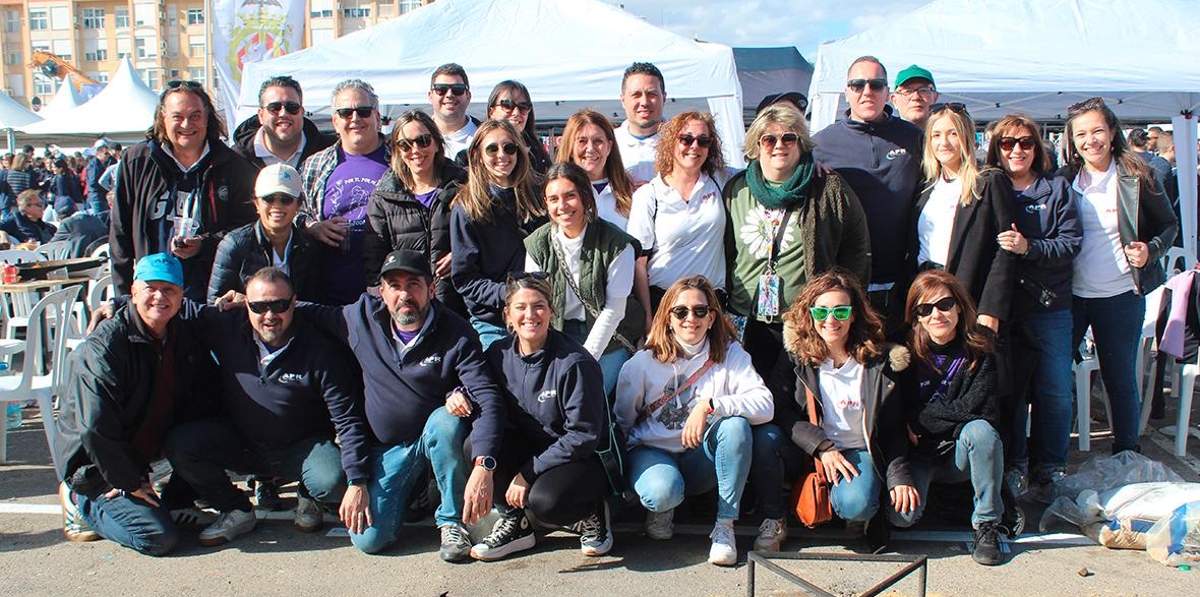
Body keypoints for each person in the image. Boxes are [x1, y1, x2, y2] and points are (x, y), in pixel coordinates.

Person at [286, 249, 505, 561]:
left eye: (414, 284)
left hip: (435, 441)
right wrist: (250, 305)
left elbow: (488, 395)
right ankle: (420, 490)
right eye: (395, 285)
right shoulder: (359, 319)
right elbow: (308, 312)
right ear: (382, 291)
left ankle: (452, 523)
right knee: (368, 539)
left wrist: (485, 465)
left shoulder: (456, 333)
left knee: (447, 421)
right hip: (386, 448)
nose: (405, 295)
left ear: (431, 288)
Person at [164, 268, 365, 546]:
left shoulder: (321, 350)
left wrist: (357, 481)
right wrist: (119, 304)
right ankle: (236, 509)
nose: (270, 315)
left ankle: (309, 494)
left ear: (294, 303)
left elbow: (347, 419)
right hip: (243, 443)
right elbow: (173, 305)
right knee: (181, 443)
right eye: (259, 306)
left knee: (332, 481)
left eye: (279, 305)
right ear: (245, 304)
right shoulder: (227, 325)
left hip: (301, 449)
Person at [55, 254, 219, 555]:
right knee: (157, 537)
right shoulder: (104, 347)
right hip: (96, 465)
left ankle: (175, 501)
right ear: (132, 292)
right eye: (150, 288)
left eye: (169, 289)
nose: (160, 296)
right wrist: (126, 480)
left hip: (141, 451)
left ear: (182, 295)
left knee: (210, 425)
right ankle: (82, 504)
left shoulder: (181, 333)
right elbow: (95, 426)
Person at [750, 269, 915, 553]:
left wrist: (899, 476)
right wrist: (821, 446)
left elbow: (893, 427)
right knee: (765, 438)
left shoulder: (878, 362)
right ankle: (775, 518)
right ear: (810, 313)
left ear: (853, 315)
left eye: (840, 311)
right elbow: (780, 410)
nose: (830, 320)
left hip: (856, 450)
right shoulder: (796, 354)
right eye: (822, 311)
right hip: (807, 448)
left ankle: (850, 510)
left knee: (856, 505)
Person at [615, 275, 773, 567]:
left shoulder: (730, 354)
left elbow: (766, 406)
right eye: (681, 311)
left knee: (735, 425)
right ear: (668, 318)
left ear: (712, 318)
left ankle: (725, 526)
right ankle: (664, 505)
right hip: (653, 452)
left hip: (701, 458)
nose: (691, 318)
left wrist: (710, 405)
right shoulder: (642, 363)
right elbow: (623, 424)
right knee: (663, 491)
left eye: (700, 311)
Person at [725, 103, 870, 406]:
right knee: (746, 403)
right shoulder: (735, 190)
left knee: (797, 405)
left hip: (804, 323)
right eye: (769, 139)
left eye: (788, 138)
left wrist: (842, 298)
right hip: (744, 321)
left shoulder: (827, 187)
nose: (779, 145)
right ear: (755, 146)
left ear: (801, 144)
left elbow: (857, 244)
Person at [473, 274, 616, 560]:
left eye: (539, 306)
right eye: (521, 307)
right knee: (477, 448)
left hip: (580, 458)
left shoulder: (575, 363)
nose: (530, 315)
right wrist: (459, 393)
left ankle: (592, 513)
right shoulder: (497, 354)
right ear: (507, 315)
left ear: (551, 311)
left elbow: (583, 437)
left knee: (545, 502)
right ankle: (517, 522)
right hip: (532, 448)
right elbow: (482, 397)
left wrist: (527, 473)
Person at [1064, 97, 1177, 455]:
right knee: (1052, 375)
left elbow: (1168, 225)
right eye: (1081, 133)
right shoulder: (1064, 179)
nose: (1090, 140)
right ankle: (1053, 453)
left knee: (1119, 379)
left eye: (1097, 130)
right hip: (1071, 295)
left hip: (1120, 294)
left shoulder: (1138, 175)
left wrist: (1150, 249)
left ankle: (1126, 451)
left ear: (1113, 132)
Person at [984, 114, 1081, 498]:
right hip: (1005, 305)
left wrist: (1031, 248)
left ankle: (1051, 464)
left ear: (1038, 148)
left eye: (1025, 143)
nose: (1017, 150)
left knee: (1054, 389)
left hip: (1049, 303)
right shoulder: (988, 186)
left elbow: (1071, 242)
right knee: (1011, 390)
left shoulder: (1056, 189)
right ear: (996, 149)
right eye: (1007, 144)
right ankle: (1017, 462)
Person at [891, 270, 1009, 566]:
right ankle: (941, 503)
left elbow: (982, 410)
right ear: (915, 315)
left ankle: (987, 525)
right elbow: (894, 414)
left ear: (959, 306)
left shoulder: (981, 350)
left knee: (981, 431)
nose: (936, 315)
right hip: (919, 455)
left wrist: (918, 419)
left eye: (944, 305)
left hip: (960, 452)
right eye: (925, 309)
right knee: (901, 519)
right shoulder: (902, 352)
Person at [110, 80, 257, 302]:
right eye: (177, 116)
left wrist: (204, 244)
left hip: (210, 294)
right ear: (162, 118)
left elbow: (246, 231)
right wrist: (122, 297)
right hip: (153, 295)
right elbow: (120, 235)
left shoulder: (233, 166)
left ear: (207, 119)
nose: (187, 124)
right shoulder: (137, 161)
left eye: (195, 115)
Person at [813, 56, 923, 335]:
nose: (867, 92)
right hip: (847, 284)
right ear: (847, 91)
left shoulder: (913, 138)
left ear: (888, 92)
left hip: (904, 279)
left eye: (876, 85)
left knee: (903, 365)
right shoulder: (822, 143)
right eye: (858, 84)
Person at [523, 162, 642, 396]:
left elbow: (613, 311)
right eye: (554, 199)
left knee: (586, 393)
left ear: (586, 197)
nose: (562, 206)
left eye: (570, 196)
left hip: (609, 337)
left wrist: (584, 360)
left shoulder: (617, 245)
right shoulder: (538, 243)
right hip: (558, 332)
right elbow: (534, 302)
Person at [911, 103, 1015, 333]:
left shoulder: (988, 182)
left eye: (952, 134)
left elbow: (1004, 250)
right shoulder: (924, 188)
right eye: (936, 135)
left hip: (969, 295)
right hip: (928, 298)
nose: (944, 142)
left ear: (966, 137)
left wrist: (991, 309)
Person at [450, 119, 546, 350]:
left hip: (541, 316)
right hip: (493, 322)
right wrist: (511, 294)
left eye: (509, 147)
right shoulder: (466, 208)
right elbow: (465, 279)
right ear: (478, 155)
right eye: (492, 148)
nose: (502, 155)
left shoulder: (540, 196)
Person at [627, 111, 728, 324]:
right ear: (671, 142)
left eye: (703, 141)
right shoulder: (649, 194)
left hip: (710, 305)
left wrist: (815, 161)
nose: (694, 146)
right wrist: (647, 317)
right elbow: (638, 264)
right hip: (664, 305)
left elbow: (766, 168)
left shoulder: (721, 180)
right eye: (686, 139)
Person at [363, 109, 467, 314]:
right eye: (405, 144)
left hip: (460, 306)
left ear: (437, 143)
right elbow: (374, 266)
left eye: (423, 140)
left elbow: (487, 239)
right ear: (397, 150)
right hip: (408, 310)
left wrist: (462, 254)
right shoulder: (384, 197)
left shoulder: (465, 185)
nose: (416, 150)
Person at [299, 79, 390, 305]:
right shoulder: (315, 164)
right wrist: (311, 227)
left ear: (377, 118)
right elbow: (294, 212)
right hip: (328, 298)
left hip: (387, 296)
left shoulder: (401, 159)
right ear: (335, 121)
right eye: (346, 113)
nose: (355, 119)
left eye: (364, 111)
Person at [208, 164, 321, 302]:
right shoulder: (233, 245)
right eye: (269, 198)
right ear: (256, 204)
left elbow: (316, 304)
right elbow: (215, 305)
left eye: (286, 199)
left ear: (298, 205)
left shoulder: (310, 247)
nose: (277, 205)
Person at [233, 75, 335, 171]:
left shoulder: (332, 152)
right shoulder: (236, 159)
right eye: (274, 108)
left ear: (302, 112)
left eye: (292, 107)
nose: (283, 113)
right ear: (261, 115)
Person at [555, 108, 636, 230]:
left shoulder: (630, 192)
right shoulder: (555, 193)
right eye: (582, 141)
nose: (590, 148)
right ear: (570, 147)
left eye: (598, 141)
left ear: (609, 146)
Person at [615, 62, 667, 187]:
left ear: (664, 98)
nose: (644, 102)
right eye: (636, 95)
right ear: (623, 100)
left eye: (651, 94)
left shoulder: (684, 143)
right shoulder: (609, 143)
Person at [485, 80, 551, 175]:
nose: (516, 113)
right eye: (507, 105)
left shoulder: (538, 153)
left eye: (523, 107)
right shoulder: (477, 150)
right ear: (492, 112)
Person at [427, 63, 479, 160]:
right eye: (441, 89)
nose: (449, 95)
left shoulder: (485, 137)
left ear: (468, 96)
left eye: (457, 89)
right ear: (430, 96)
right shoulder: (414, 139)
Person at [890, 65, 939, 129]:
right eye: (907, 91)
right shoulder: (883, 136)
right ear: (894, 101)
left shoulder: (949, 136)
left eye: (923, 90)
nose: (916, 97)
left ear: (935, 97)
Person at [85, 139, 116, 215]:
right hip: (97, 198)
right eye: (106, 153)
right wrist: (107, 188)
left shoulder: (99, 164)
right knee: (100, 220)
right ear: (100, 152)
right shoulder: (95, 165)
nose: (108, 156)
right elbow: (93, 182)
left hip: (99, 197)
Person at [3, 152, 35, 218]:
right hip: (22, 204)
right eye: (28, 161)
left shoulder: (7, 173)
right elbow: (31, 190)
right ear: (23, 162)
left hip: (9, 204)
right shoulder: (27, 176)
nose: (29, 164)